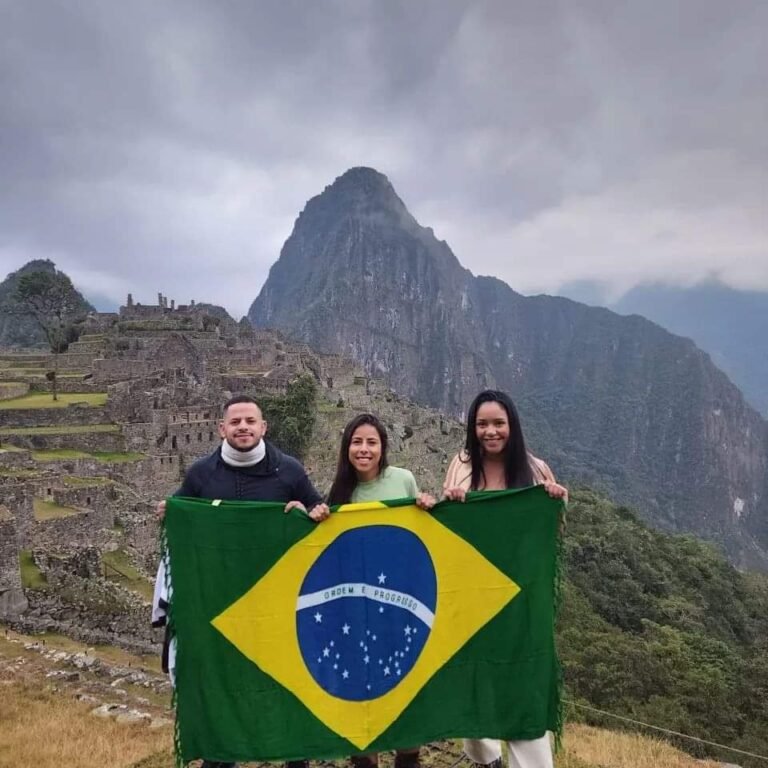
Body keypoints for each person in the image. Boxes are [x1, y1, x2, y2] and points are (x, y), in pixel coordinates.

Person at [152, 394, 329, 768]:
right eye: (235, 422)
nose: (243, 428)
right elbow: (181, 514)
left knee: (287, 692)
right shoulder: (202, 474)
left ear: (264, 427)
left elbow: (320, 512)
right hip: (221, 606)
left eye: (251, 421)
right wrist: (170, 512)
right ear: (222, 429)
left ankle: (295, 759)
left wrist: (307, 513)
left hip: (277, 606)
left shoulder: (289, 471)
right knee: (221, 693)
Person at [442, 390, 567, 768]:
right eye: (482, 424)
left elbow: (552, 534)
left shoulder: (535, 470)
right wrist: (448, 501)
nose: (490, 431)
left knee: (522, 685)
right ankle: (487, 758)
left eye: (498, 423)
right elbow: (449, 529)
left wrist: (555, 501)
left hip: (521, 598)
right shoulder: (461, 466)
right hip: (474, 595)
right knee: (474, 681)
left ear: (512, 425)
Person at [327, 413, 435, 768]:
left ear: (383, 448)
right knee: (363, 691)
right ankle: (365, 759)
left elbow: (421, 532)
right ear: (346, 448)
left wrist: (427, 505)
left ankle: (407, 757)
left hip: (401, 602)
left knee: (404, 683)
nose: (364, 449)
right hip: (358, 611)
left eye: (371, 442)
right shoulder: (342, 495)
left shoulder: (403, 480)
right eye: (357, 442)